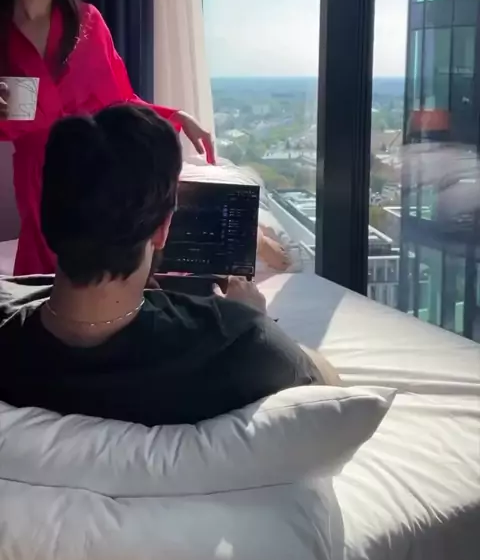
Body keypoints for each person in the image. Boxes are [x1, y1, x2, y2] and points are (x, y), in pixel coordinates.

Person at [0, 0, 288, 276]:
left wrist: (176, 116)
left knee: (135, 237)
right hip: (40, 179)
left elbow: (120, 100)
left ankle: (248, 238)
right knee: (51, 280)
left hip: (98, 166)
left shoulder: (87, 24)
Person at [0, 104, 339, 426]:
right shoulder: (240, 343)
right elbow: (328, 388)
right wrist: (255, 319)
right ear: (163, 229)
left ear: (47, 219)